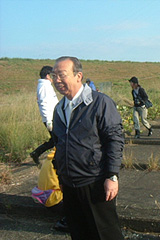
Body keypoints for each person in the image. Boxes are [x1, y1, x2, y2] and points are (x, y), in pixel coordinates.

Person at [51, 56, 124, 240]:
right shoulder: (59, 109)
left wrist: (112, 175)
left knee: (105, 234)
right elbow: (59, 144)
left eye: (62, 75)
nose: (57, 80)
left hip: (95, 182)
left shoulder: (100, 103)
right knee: (79, 232)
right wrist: (60, 173)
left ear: (78, 76)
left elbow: (114, 140)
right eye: (54, 76)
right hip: (69, 184)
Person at [31, 149, 68, 232]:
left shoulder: (52, 156)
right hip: (55, 200)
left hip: (45, 195)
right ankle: (66, 222)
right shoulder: (65, 157)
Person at [30, 66, 59, 165]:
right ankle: (38, 154)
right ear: (47, 75)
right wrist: (48, 121)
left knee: (55, 140)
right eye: (52, 75)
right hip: (50, 118)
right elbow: (44, 104)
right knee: (57, 140)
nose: (54, 77)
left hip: (53, 117)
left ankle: (36, 153)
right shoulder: (44, 87)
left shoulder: (46, 85)